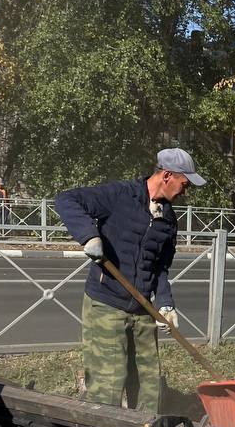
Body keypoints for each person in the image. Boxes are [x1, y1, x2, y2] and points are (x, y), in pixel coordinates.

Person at [54, 147, 205, 412]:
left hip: (142, 306)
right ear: (167, 175)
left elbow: (160, 267)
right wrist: (89, 235)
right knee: (108, 382)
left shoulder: (168, 220)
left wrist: (166, 304)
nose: (185, 191)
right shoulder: (120, 195)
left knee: (149, 384)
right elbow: (66, 200)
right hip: (106, 303)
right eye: (184, 183)